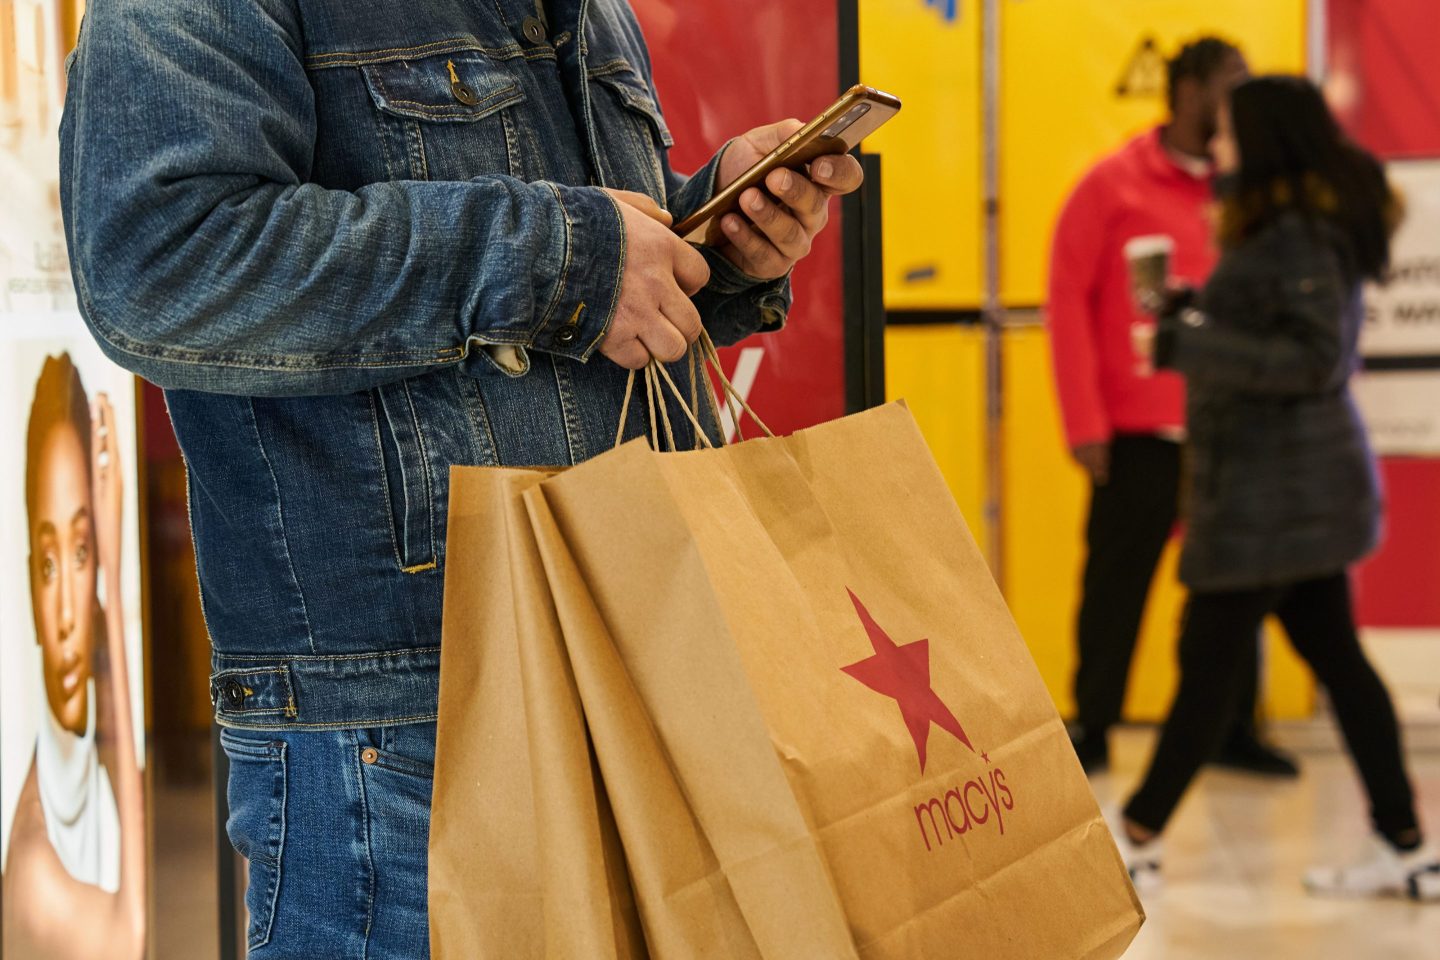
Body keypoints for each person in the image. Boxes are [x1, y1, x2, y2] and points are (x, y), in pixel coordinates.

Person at [58, 0, 861, 955]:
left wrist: (706, 246)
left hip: (646, 673)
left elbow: (566, 303)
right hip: (402, 732)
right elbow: (161, 261)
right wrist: (563, 259)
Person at [1116, 75, 1439, 900]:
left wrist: (1187, 347)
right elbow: (1274, 330)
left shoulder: (1296, 233)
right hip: (1290, 493)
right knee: (1335, 661)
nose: (1216, 144)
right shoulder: (1291, 223)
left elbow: (1313, 359)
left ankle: (1135, 837)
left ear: (1263, 139)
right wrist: (1195, 312)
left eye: (1227, 131)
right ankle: (1405, 844)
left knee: (1208, 663)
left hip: (1273, 499)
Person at [1048, 37, 1297, 777]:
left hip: (1232, 430)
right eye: (1232, 85)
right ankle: (1095, 724)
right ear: (1189, 92)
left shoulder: (1245, 190)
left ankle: (1232, 729)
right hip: (1137, 432)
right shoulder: (1111, 184)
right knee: (1116, 586)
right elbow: (1067, 303)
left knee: (1234, 586)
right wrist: (1085, 422)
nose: (1243, 99)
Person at [3, 355, 146, 959]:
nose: (65, 613)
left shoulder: (79, 778)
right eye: (48, 564)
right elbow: (132, 934)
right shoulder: (33, 859)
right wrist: (109, 569)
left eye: (81, 552)